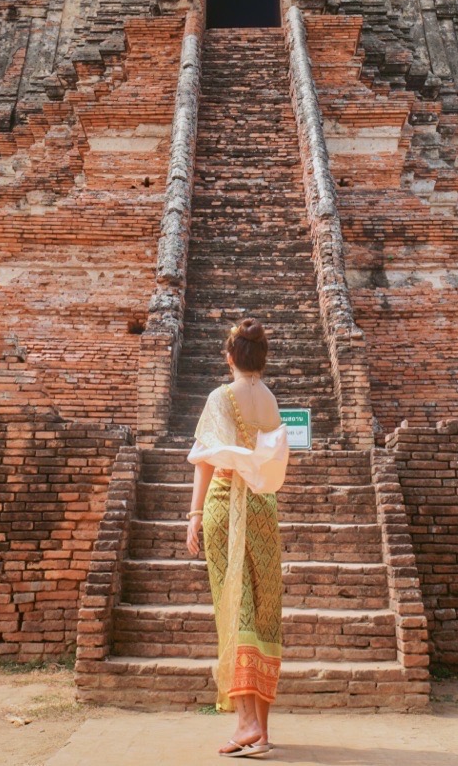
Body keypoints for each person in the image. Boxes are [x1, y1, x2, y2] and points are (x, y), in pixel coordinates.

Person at [186, 317, 289, 758]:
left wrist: (193, 514)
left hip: (227, 501)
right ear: (262, 359)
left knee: (235, 602)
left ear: (230, 356)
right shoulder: (270, 399)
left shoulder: (220, 397)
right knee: (264, 608)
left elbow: (206, 461)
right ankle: (260, 730)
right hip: (264, 506)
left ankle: (245, 721)